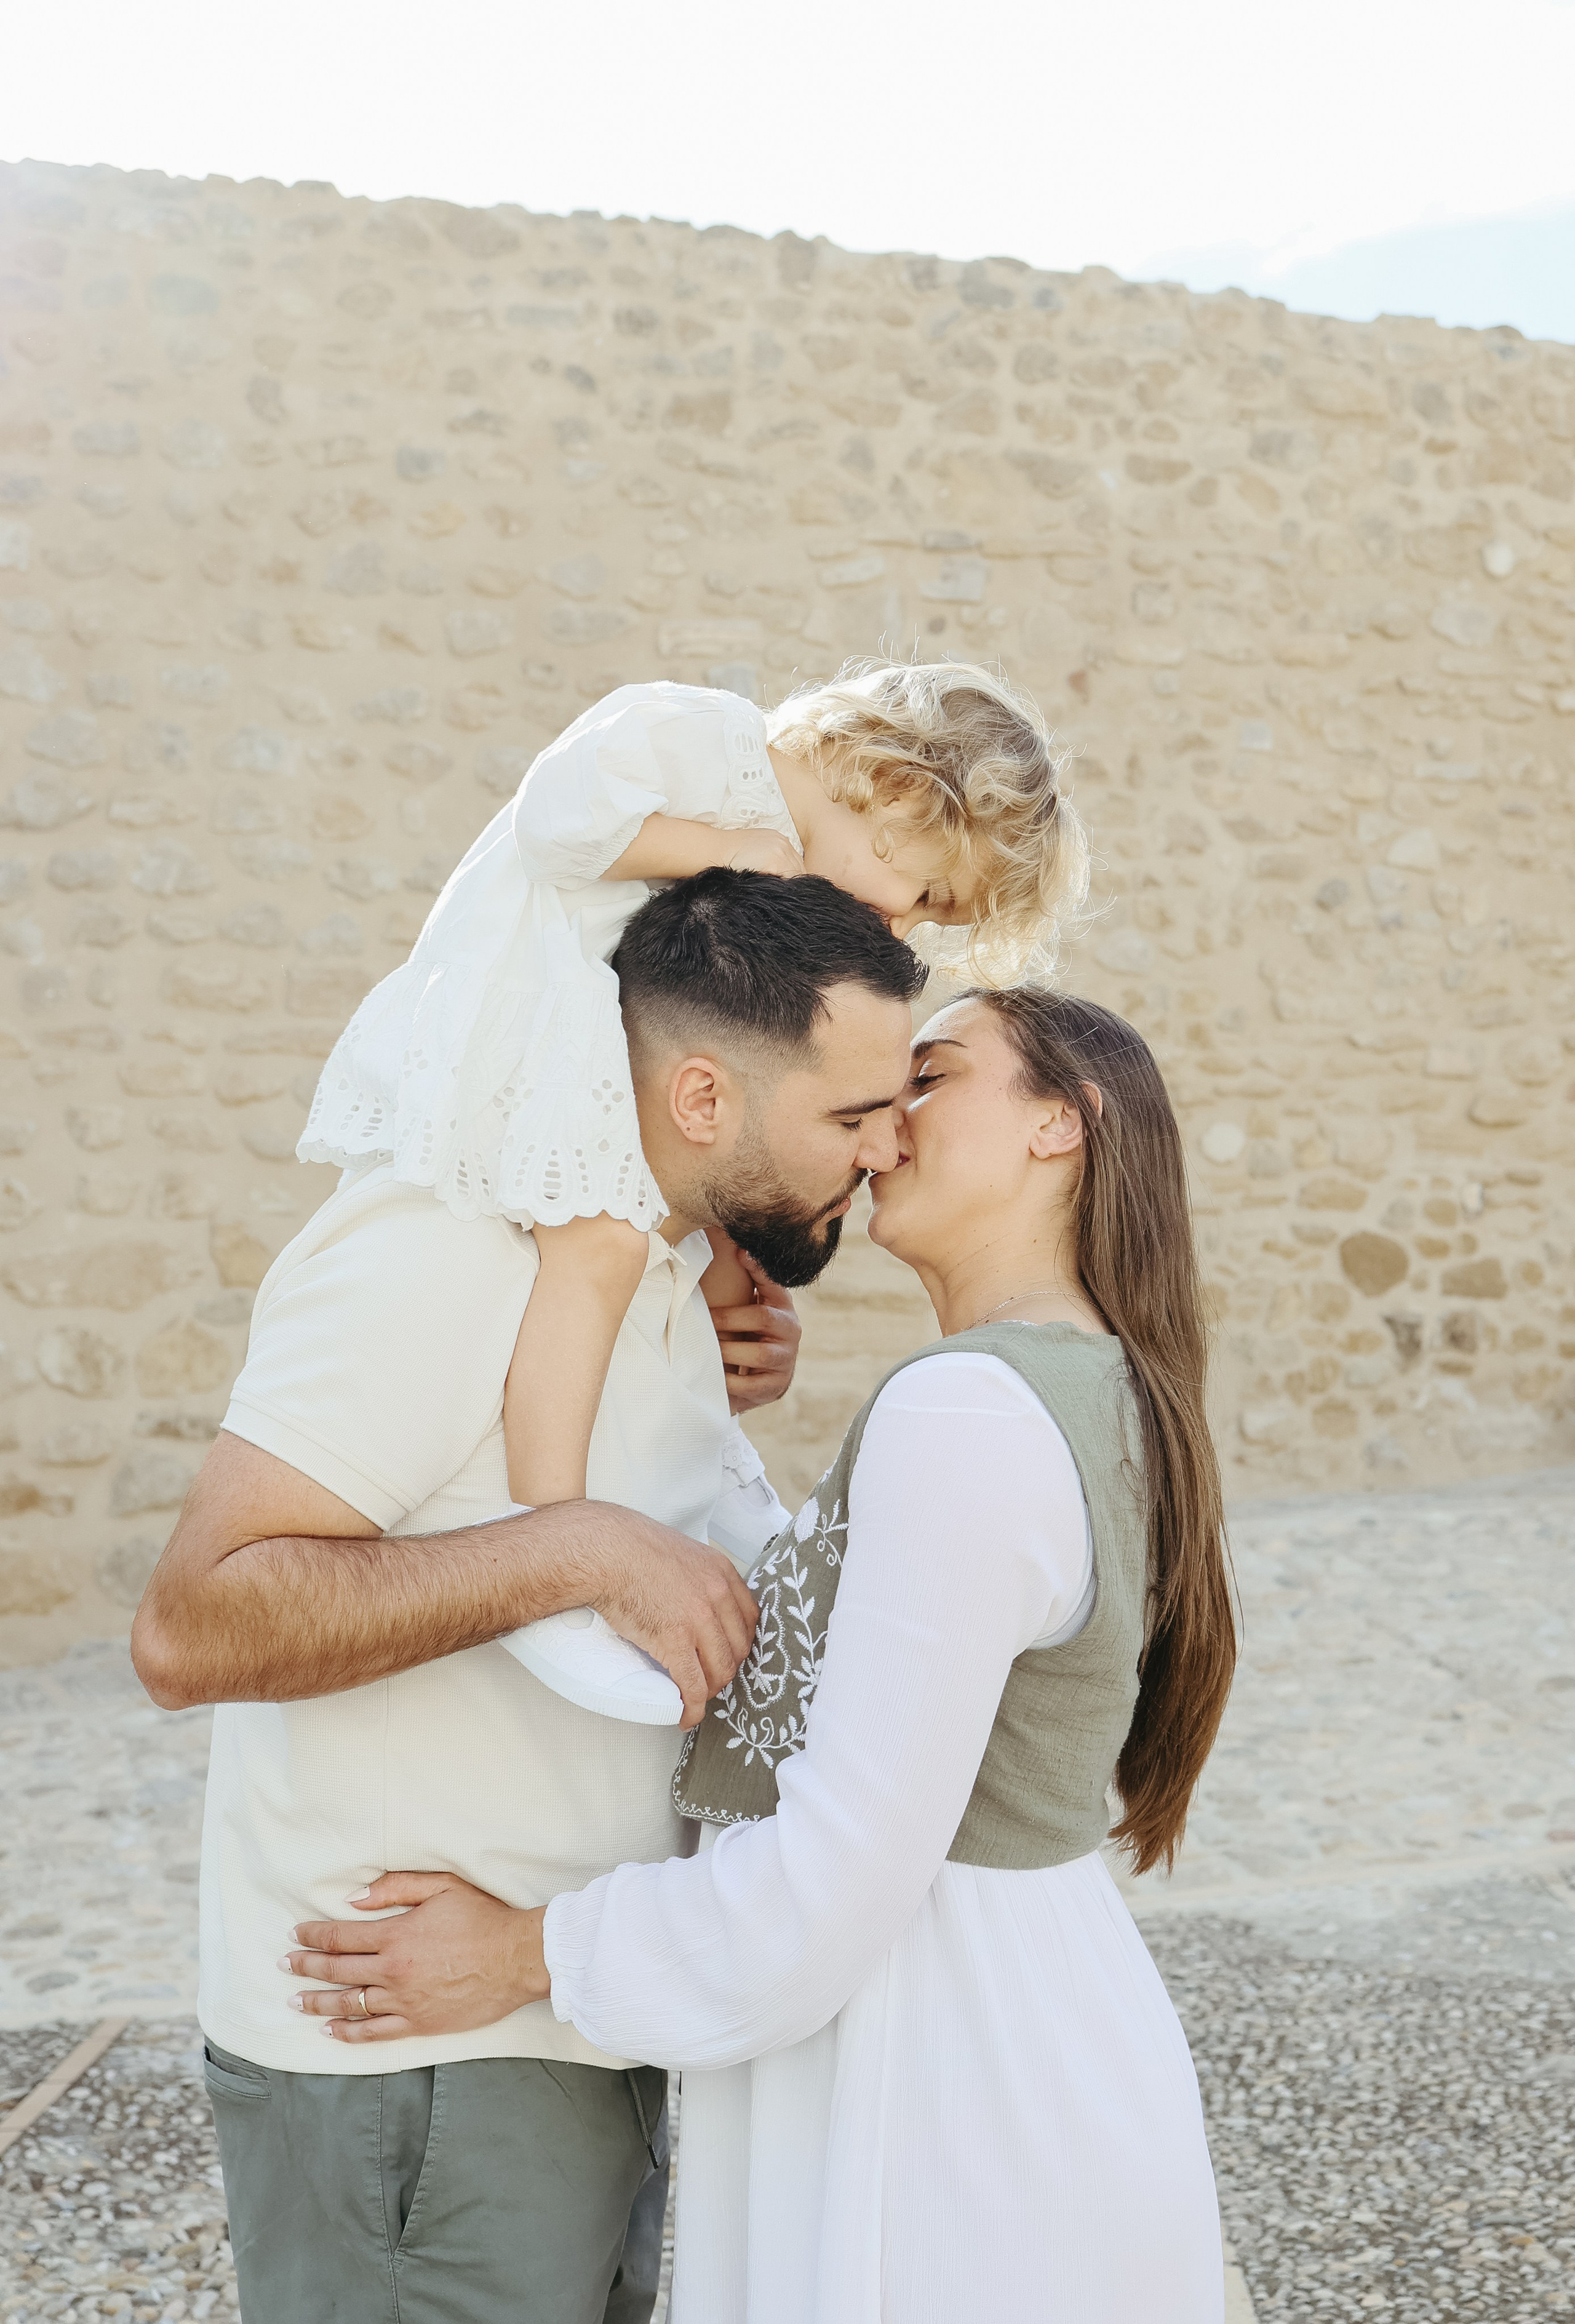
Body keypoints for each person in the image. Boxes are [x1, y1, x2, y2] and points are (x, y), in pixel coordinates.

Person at [284, 988, 1238, 2323]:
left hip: (937, 2083)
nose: (883, 1132)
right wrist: (687, 1389)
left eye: (931, 1078)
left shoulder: (964, 1409)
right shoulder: (1087, 1385)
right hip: (1007, 2029)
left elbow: (825, 1876)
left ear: (1057, 1126)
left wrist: (525, 1951)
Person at [131, 870, 928, 2324]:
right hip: (409, 2074)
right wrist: (578, 1548)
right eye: (850, 1115)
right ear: (701, 1095)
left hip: (561, 2021)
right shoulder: (442, 1242)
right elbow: (192, 1624)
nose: (886, 1152)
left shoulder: (662, 1269)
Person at [298, 660, 1088, 1717]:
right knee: (599, 1255)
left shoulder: (772, 871)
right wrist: (728, 852)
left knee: (701, 1251)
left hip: (608, 1058)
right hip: (531, 1046)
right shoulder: (702, 738)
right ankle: (559, 1549)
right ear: (902, 796)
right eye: (928, 897)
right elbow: (554, 819)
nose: (904, 928)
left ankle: (706, 1465)